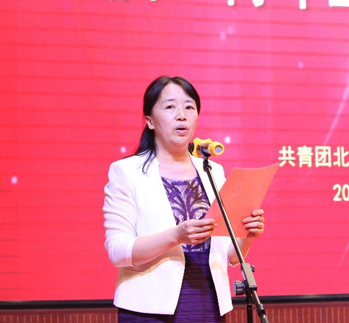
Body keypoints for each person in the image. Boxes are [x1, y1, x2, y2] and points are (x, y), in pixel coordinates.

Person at [103, 76, 265, 323]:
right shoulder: (126, 172)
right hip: (149, 310)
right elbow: (118, 251)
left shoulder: (213, 171)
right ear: (149, 120)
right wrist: (176, 236)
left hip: (208, 305)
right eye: (170, 107)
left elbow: (231, 256)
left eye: (189, 107)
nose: (181, 115)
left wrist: (247, 236)